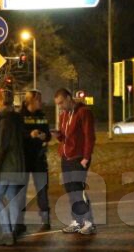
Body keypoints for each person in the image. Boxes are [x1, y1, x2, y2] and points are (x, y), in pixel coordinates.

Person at [0, 89, 28, 246]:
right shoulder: (18, 119)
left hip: (5, 168)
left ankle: (7, 233)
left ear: (2, 101)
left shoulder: (4, 120)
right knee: (12, 198)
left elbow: (2, 146)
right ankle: (15, 230)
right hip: (17, 166)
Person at [52, 88, 96, 235]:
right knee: (70, 191)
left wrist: (86, 158)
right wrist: (58, 135)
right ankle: (77, 221)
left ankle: (89, 222)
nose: (60, 106)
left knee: (79, 191)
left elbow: (89, 136)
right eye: (58, 104)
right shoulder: (64, 115)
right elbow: (65, 136)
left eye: (61, 103)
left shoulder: (83, 112)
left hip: (78, 158)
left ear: (69, 98)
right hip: (66, 158)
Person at [19, 90, 52, 232]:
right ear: (30, 101)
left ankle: (46, 220)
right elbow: (17, 134)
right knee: (21, 190)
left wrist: (45, 136)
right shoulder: (20, 116)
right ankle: (19, 223)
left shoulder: (42, 116)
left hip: (39, 157)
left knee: (42, 189)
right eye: (38, 99)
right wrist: (29, 135)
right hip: (24, 158)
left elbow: (48, 134)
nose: (41, 102)